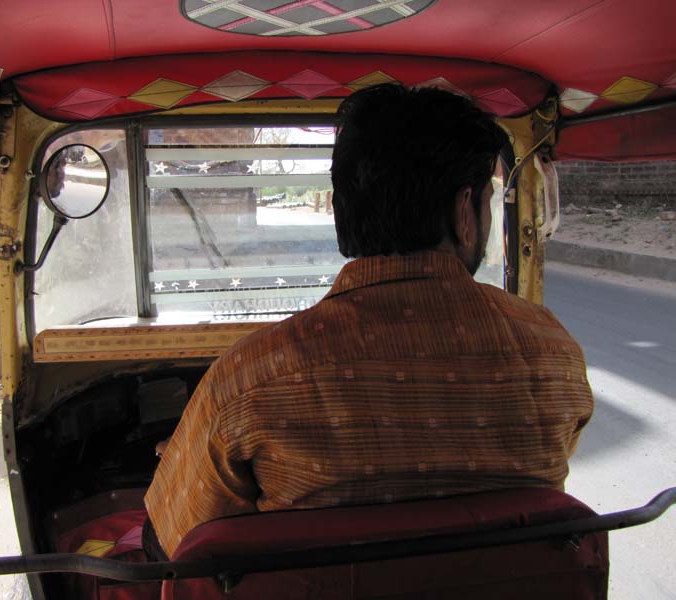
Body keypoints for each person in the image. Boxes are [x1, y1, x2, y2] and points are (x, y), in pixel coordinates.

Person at [142, 83, 594, 560]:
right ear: (466, 212)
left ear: (340, 216)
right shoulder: (553, 352)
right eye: (487, 202)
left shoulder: (251, 377)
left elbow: (177, 545)